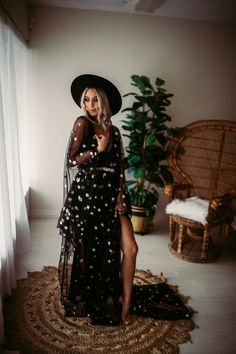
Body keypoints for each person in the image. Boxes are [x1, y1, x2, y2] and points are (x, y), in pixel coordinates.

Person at [57, 74, 192, 326]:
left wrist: (120, 198)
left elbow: (119, 169)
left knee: (130, 248)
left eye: (95, 100)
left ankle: (126, 304)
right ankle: (95, 297)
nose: (90, 105)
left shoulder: (115, 131)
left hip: (112, 197)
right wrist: (97, 149)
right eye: (86, 100)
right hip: (88, 197)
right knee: (90, 254)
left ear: (103, 102)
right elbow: (71, 161)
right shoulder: (81, 124)